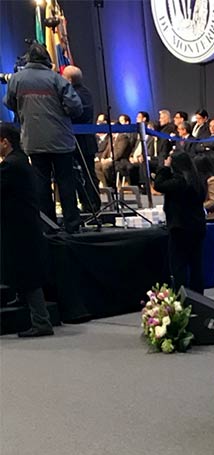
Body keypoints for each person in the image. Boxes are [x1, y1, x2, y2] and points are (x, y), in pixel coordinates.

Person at [2, 42, 83, 233]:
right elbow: (76, 107)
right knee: (66, 183)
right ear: (47, 60)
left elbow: (8, 103)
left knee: (41, 184)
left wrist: (25, 111)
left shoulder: (16, 79)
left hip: (33, 140)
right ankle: (72, 225)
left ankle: (47, 226)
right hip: (61, 139)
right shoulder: (57, 79)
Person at [0, 123, 54, 337]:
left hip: (19, 228)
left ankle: (41, 321)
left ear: (5, 142)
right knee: (23, 271)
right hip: (25, 225)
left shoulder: (11, 165)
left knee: (27, 274)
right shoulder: (21, 161)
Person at [153, 151, 206, 294]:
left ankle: (181, 297)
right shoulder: (199, 179)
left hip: (180, 227)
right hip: (197, 226)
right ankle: (199, 298)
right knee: (196, 265)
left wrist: (164, 168)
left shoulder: (179, 182)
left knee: (178, 266)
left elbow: (158, 185)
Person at [61, 65, 101, 213]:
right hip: (81, 140)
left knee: (87, 175)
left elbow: (76, 114)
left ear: (69, 80)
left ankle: (92, 205)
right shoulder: (84, 92)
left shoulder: (78, 95)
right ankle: (87, 203)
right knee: (82, 174)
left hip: (82, 141)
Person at [194, 154, 214, 222]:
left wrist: (197, 207)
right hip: (203, 217)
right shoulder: (199, 181)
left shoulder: (212, 181)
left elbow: (213, 201)